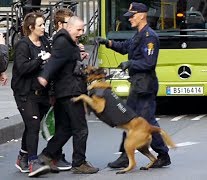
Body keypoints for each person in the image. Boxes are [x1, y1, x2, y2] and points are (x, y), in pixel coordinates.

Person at [96, 2, 172, 169]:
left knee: (147, 120)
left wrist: (131, 63)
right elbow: (125, 47)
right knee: (128, 119)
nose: (129, 19)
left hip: (146, 85)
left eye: (132, 16)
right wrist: (107, 43)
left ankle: (163, 154)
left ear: (142, 15)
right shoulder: (138, 34)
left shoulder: (149, 37)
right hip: (137, 84)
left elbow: (149, 62)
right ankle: (125, 155)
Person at [37, 16, 99, 174]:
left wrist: (78, 55)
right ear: (69, 27)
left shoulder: (68, 42)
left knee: (65, 128)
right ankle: (79, 163)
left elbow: (63, 62)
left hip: (64, 91)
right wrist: (44, 76)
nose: (81, 33)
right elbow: (55, 61)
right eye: (78, 29)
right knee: (80, 128)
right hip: (71, 91)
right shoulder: (63, 41)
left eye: (83, 29)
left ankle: (47, 155)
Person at [11, 11, 51, 177]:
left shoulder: (44, 42)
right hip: (24, 92)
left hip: (41, 93)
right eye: (40, 25)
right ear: (30, 27)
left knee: (31, 125)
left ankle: (22, 156)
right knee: (33, 125)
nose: (43, 28)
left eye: (44, 24)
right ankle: (33, 161)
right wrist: (40, 60)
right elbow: (22, 68)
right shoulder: (23, 45)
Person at [37, 8, 75, 172]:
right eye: (69, 22)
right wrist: (52, 93)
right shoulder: (56, 42)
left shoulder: (66, 40)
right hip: (58, 89)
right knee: (66, 125)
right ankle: (50, 155)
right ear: (60, 24)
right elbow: (52, 68)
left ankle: (54, 155)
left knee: (63, 125)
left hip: (62, 88)